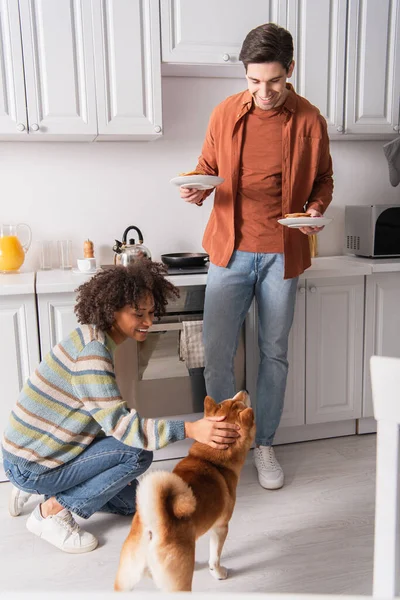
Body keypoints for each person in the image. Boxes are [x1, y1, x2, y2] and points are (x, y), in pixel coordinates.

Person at [179, 23, 333, 491]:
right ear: (244, 75)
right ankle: (223, 444)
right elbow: (207, 168)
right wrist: (194, 186)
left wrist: (315, 210)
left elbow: (323, 180)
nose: (264, 92)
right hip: (228, 251)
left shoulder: (309, 119)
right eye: (253, 82)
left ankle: (263, 443)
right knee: (218, 353)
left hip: (282, 253)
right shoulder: (225, 113)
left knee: (274, 353)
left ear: (291, 70)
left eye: (274, 81)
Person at [1, 261, 240, 553]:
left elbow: (102, 418)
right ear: (111, 310)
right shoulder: (93, 356)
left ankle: (42, 486)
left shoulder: (91, 335)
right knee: (137, 455)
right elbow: (124, 428)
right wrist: (191, 428)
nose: (148, 322)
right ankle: (51, 511)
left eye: (151, 313)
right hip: (32, 461)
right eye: (138, 314)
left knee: (135, 502)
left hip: (35, 448)